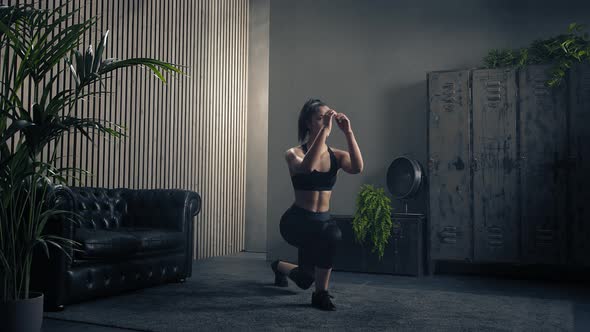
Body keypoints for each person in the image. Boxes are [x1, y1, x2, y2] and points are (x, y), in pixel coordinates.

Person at [271, 98, 364, 311]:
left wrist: (348, 132)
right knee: (327, 239)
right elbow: (307, 168)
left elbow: (357, 167)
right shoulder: (293, 154)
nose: (325, 122)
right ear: (308, 123)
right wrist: (325, 131)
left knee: (305, 278)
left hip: (322, 223)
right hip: (297, 222)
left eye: (327, 118)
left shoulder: (337, 156)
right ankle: (281, 268)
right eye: (320, 118)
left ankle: (315, 291)